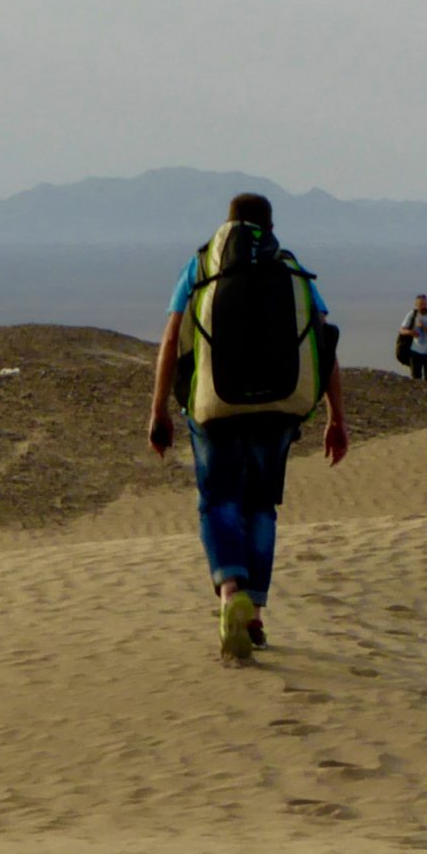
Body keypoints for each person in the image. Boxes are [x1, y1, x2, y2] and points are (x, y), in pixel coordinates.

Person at [148, 192, 348, 660]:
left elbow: (172, 338)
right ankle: (255, 612)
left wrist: (158, 409)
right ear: (270, 223)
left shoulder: (201, 266)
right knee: (260, 507)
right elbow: (324, 346)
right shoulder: (291, 268)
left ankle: (230, 590)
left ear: (228, 222)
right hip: (279, 410)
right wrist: (337, 418)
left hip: (214, 406)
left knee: (217, 499)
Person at [400, 294, 427, 382]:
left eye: (425, 304)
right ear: (416, 305)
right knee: (415, 379)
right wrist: (410, 332)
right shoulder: (412, 314)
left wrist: (423, 326)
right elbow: (402, 329)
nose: (423, 306)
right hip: (415, 351)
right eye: (421, 304)